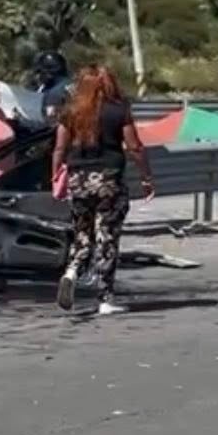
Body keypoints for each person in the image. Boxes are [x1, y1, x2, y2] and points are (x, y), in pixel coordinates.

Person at [51, 65, 154, 315]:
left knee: (82, 233)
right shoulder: (118, 110)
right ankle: (105, 298)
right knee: (106, 236)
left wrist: (55, 174)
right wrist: (146, 176)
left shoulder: (70, 112)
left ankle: (72, 271)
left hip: (79, 180)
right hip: (109, 179)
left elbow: (59, 148)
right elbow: (134, 146)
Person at [34, 52, 72, 124]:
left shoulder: (53, 94)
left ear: (48, 73)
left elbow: (49, 122)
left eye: (39, 72)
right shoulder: (75, 84)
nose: (38, 77)